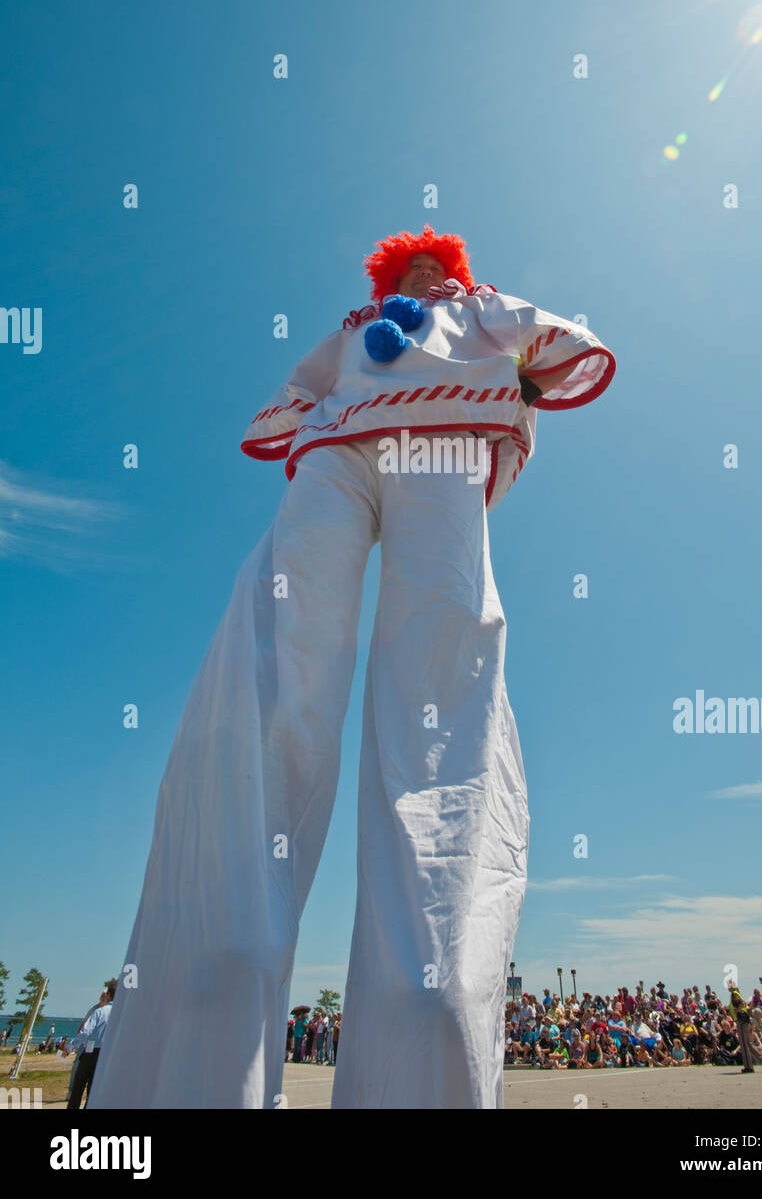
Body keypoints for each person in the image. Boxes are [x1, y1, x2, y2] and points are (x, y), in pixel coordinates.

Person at [86, 226, 615, 1111]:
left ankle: (426, 1001)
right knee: (281, 640)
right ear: (385, 270)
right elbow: (302, 387)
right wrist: (312, 414)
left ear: (452, 267)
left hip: (442, 440)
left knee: (442, 655)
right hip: (337, 449)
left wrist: (521, 375)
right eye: (406, 262)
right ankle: (216, 980)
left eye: (434, 261)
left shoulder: (481, 309)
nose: (421, 270)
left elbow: (557, 346)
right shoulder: (352, 323)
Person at [67, 982, 116, 1109]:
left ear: (109, 995)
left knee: (78, 1089)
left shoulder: (100, 1012)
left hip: (90, 1053)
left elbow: (85, 1032)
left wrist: (70, 1047)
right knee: (93, 1092)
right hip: (106, 1055)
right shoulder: (121, 1015)